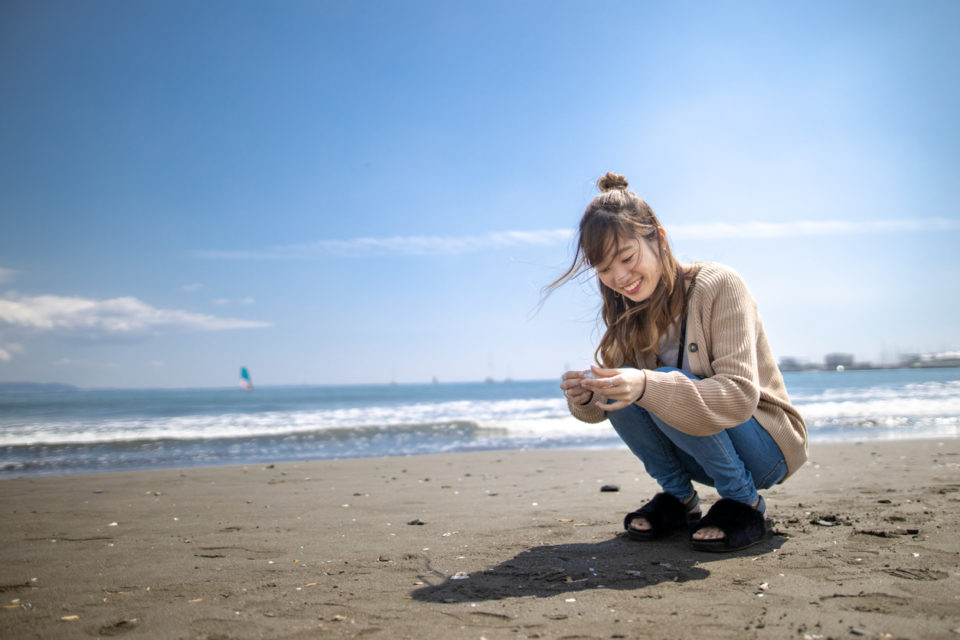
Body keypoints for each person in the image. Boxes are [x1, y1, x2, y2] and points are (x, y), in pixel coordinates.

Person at [551, 172, 807, 552]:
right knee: (619, 382)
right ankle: (680, 499)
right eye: (604, 270)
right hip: (699, 457)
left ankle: (745, 503)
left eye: (627, 257)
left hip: (764, 449)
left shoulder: (719, 285)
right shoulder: (627, 313)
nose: (619, 278)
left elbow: (738, 397)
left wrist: (649, 384)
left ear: (659, 238)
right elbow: (603, 413)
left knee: (654, 381)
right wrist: (587, 397)